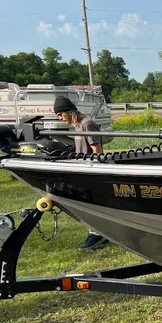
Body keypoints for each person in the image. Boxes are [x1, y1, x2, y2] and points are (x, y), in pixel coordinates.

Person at [53, 95, 110, 250]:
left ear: (69, 111)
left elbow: (96, 149)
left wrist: (93, 170)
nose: (60, 118)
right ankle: (96, 232)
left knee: (91, 202)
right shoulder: (78, 125)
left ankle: (98, 235)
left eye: (60, 114)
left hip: (91, 170)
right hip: (82, 168)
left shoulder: (87, 124)